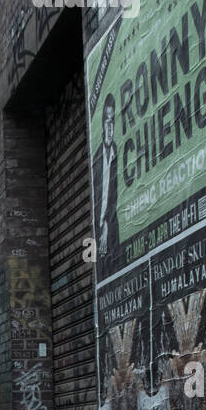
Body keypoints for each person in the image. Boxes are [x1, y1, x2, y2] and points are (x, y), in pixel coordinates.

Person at [92, 93, 120, 277]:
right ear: (102, 126)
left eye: (113, 123)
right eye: (107, 123)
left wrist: (107, 224)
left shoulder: (116, 152)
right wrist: (101, 227)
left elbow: (113, 196)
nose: (110, 129)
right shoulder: (96, 160)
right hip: (97, 229)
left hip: (111, 225)